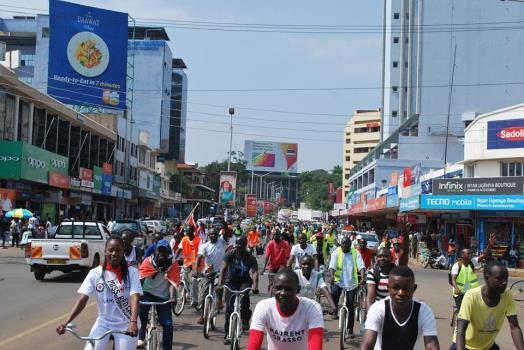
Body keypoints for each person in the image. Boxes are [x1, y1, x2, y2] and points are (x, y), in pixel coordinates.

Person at [56, 235, 142, 350]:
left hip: (126, 323)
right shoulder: (95, 273)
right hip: (103, 323)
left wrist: (133, 322)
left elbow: (135, 297)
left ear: (123, 252)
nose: (114, 254)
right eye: (111, 250)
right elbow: (82, 300)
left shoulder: (132, 272)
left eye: (118, 250)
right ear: (105, 251)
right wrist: (66, 322)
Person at [361, 266, 440, 350]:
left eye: (406, 288)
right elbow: (367, 346)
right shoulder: (377, 309)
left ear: (414, 288)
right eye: (395, 288)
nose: (401, 293)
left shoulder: (424, 311)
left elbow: (431, 346)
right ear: (388, 288)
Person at [452, 261, 524, 350]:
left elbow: (515, 328)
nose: (504, 282)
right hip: (465, 345)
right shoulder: (471, 296)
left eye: (506, 278)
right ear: (487, 277)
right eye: (499, 278)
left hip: (487, 346)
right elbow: (461, 330)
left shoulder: (507, 295)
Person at [247, 267, 324, 350]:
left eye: (288, 289)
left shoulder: (312, 308)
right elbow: (253, 343)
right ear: (273, 289)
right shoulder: (263, 307)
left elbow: (316, 345)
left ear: (298, 289)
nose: (283, 293)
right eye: (278, 288)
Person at [137, 240, 180, 350]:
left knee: (168, 325)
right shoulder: (148, 262)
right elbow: (140, 280)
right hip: (147, 293)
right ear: (155, 251)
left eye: (164, 251)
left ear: (168, 253)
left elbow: (172, 283)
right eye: (159, 250)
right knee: (142, 311)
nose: (161, 253)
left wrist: (172, 297)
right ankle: (140, 337)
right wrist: (136, 296)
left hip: (163, 297)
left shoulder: (172, 264)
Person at [219, 236, 259, 345]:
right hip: (231, 282)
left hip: (244, 282)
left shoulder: (250, 257)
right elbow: (223, 269)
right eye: (236, 243)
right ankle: (227, 334)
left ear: (245, 244)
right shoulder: (230, 254)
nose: (237, 246)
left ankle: (245, 319)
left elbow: (254, 272)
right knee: (229, 308)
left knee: (244, 296)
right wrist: (220, 284)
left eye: (240, 244)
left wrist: (255, 285)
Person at [329, 236, 365, 338]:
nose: (345, 245)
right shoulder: (336, 252)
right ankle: (334, 310)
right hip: (338, 281)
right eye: (343, 244)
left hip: (351, 283)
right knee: (334, 293)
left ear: (350, 244)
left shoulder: (355, 253)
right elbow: (332, 266)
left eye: (347, 244)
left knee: (350, 306)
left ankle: (350, 330)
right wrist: (332, 276)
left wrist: (362, 278)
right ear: (341, 244)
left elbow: (361, 266)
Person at [450, 233, 495, 311]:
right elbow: (453, 279)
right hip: (459, 293)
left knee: (477, 310)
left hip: (472, 292)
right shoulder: (457, 265)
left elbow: (484, 255)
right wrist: (456, 289)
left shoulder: (472, 262)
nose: (470, 255)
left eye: (470, 253)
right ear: (462, 255)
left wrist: (489, 245)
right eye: (468, 254)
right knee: (463, 312)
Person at [195, 228, 227, 324]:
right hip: (207, 273)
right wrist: (196, 270)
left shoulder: (221, 242)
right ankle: (203, 316)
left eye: (215, 234)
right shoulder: (205, 246)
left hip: (219, 272)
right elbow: (199, 257)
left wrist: (223, 224)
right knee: (203, 296)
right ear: (208, 235)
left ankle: (220, 302)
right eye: (211, 234)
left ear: (218, 235)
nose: (213, 236)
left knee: (219, 287)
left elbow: (227, 232)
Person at [173, 224, 201, 308]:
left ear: (193, 231)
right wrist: (174, 259)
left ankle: (194, 300)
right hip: (187, 263)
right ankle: (186, 294)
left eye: (188, 231)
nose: (186, 232)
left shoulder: (199, 240)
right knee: (185, 280)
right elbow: (179, 250)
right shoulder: (184, 239)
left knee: (193, 280)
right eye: (186, 231)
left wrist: (196, 266)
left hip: (196, 264)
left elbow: (201, 253)